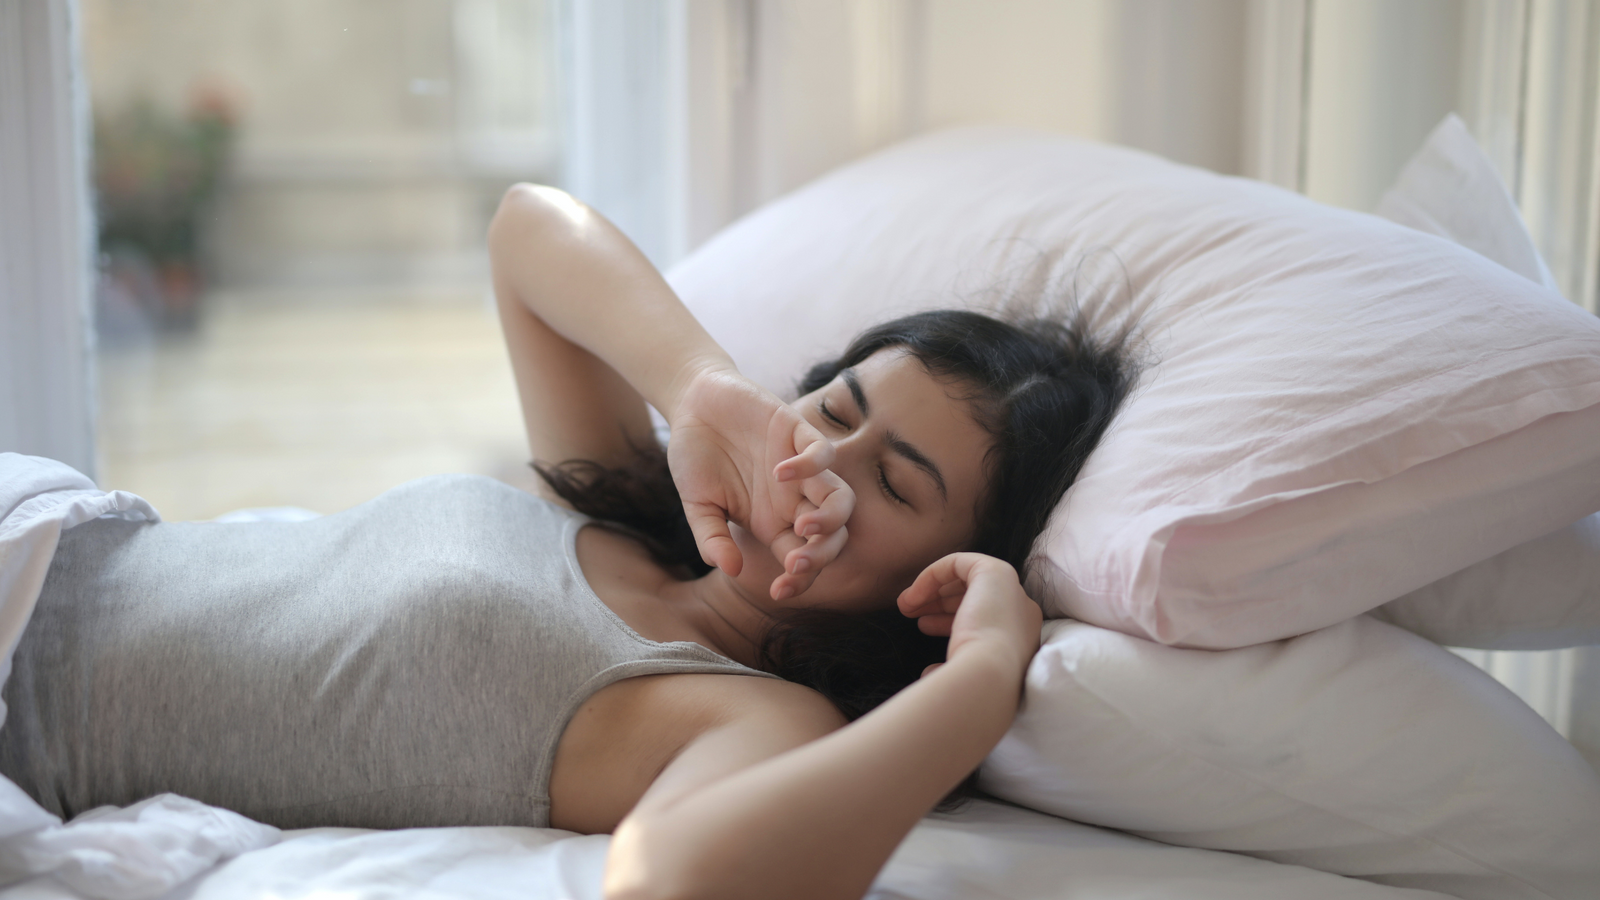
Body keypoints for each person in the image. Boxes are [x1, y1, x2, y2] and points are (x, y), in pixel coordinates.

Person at [0, 185, 1131, 900]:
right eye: (834, 410)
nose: (822, 467)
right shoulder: (628, 506)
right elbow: (526, 231)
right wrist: (703, 392)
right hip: (38, 535)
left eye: (893, 482)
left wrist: (980, 677)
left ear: (924, 587)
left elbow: (678, 881)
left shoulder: (751, 713)